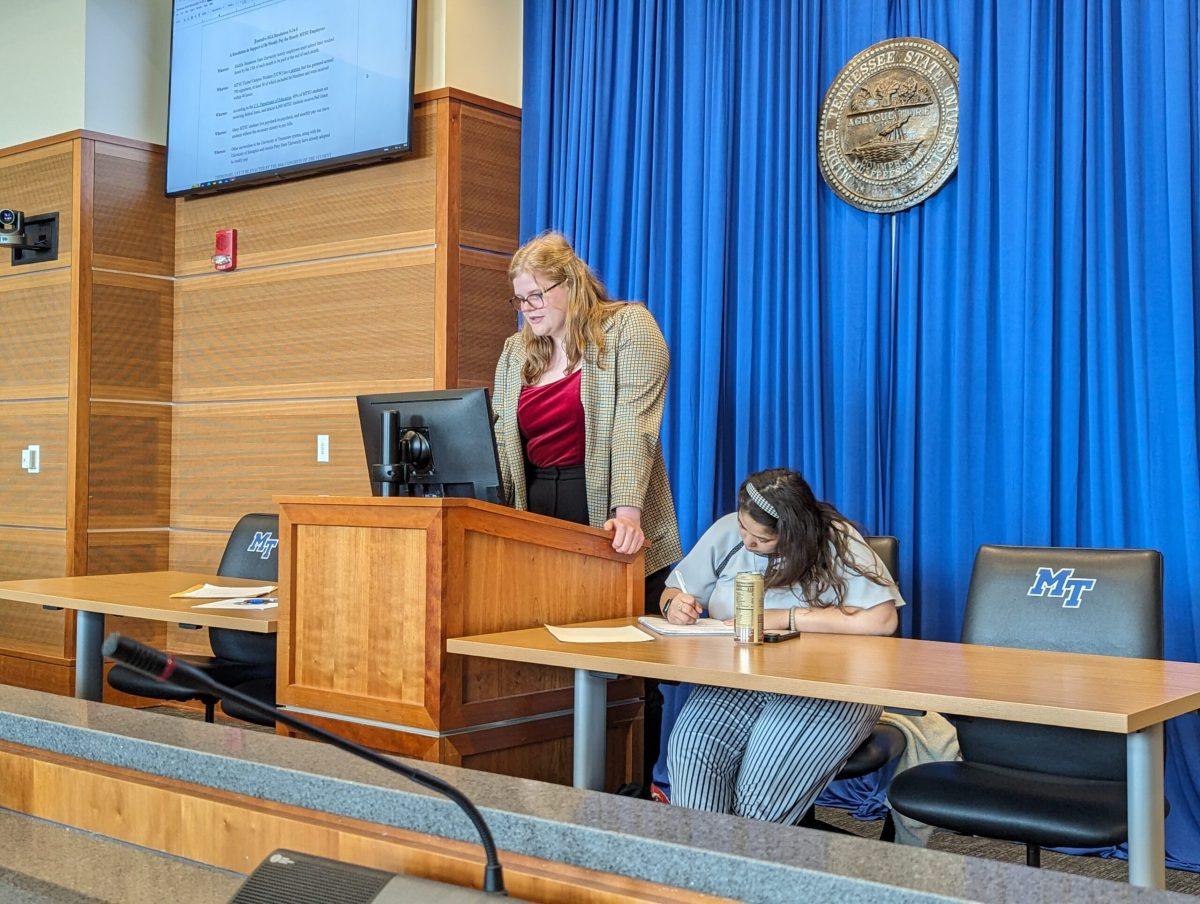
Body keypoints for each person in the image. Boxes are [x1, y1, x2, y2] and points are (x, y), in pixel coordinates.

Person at [492, 231, 682, 781]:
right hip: (537, 510)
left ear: (570, 285)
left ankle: (628, 784)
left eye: (536, 296)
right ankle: (555, 776)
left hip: (606, 511)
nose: (527, 310)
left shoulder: (627, 330)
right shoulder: (516, 351)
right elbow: (505, 436)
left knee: (622, 666)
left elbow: (633, 428)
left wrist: (627, 510)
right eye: (519, 299)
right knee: (547, 656)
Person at [661, 468, 903, 823]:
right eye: (744, 528)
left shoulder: (837, 539)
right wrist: (674, 605)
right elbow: (674, 589)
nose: (747, 542)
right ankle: (703, 870)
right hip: (741, 682)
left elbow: (882, 620)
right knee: (692, 753)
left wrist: (787, 617)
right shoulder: (729, 531)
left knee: (757, 799)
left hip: (826, 688)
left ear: (794, 533)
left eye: (761, 539)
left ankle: (743, 870)